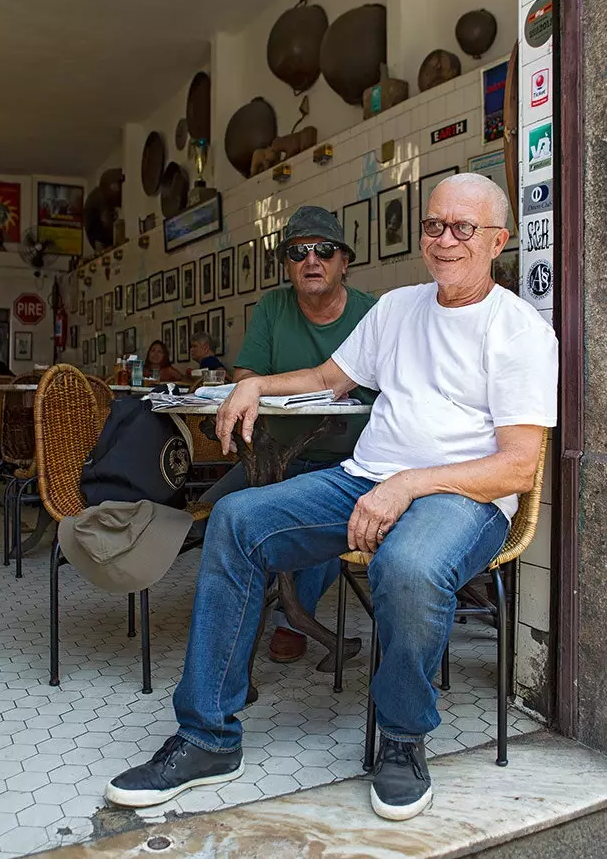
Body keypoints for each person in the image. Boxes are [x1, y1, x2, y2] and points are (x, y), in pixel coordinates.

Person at [106, 174, 558, 822]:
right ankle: (208, 737)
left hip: (464, 495)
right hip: (366, 475)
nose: (444, 239)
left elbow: (516, 467)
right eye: (434, 225)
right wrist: (256, 383)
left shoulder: (516, 329)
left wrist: (408, 484)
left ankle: (401, 740)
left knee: (406, 565)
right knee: (235, 519)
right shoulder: (399, 309)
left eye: (463, 228)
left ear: (497, 241)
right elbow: (326, 377)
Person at [199, 206, 376, 664]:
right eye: (298, 252)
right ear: (287, 265)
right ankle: (238, 625)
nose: (311, 260)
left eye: (325, 250)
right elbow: (245, 375)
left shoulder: (372, 313)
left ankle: (291, 616)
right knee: (220, 512)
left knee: (320, 509)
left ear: (344, 262)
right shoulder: (274, 307)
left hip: (349, 457)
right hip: (276, 451)